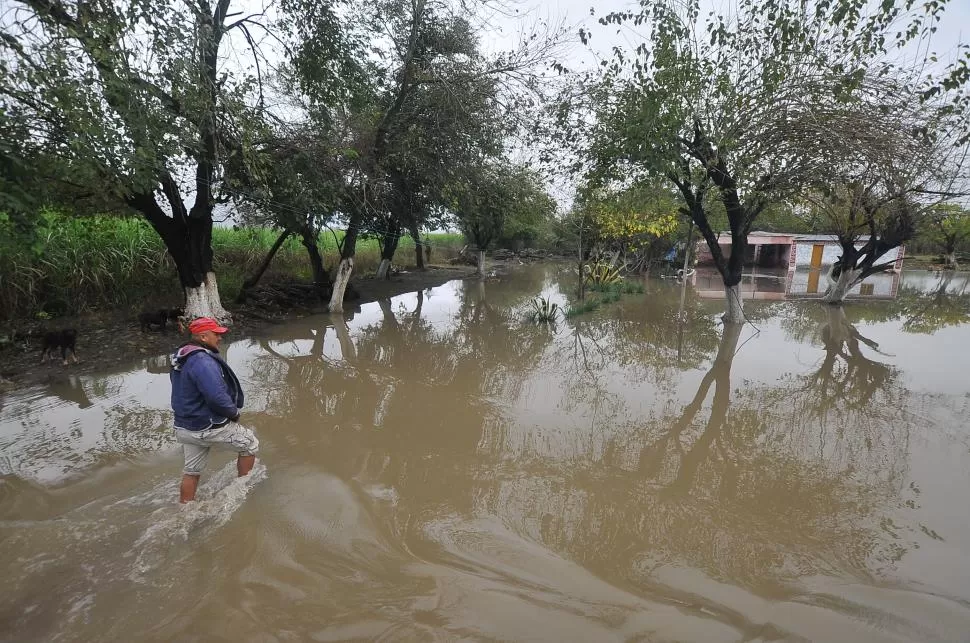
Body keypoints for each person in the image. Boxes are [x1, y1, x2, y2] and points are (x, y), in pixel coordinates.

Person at [170, 317, 259, 503]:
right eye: (216, 334)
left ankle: (185, 508)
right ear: (203, 336)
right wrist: (233, 413)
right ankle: (244, 490)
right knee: (250, 444)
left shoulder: (182, 357)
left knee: (191, 471)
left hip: (185, 427)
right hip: (208, 426)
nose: (219, 338)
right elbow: (216, 397)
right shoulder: (202, 361)